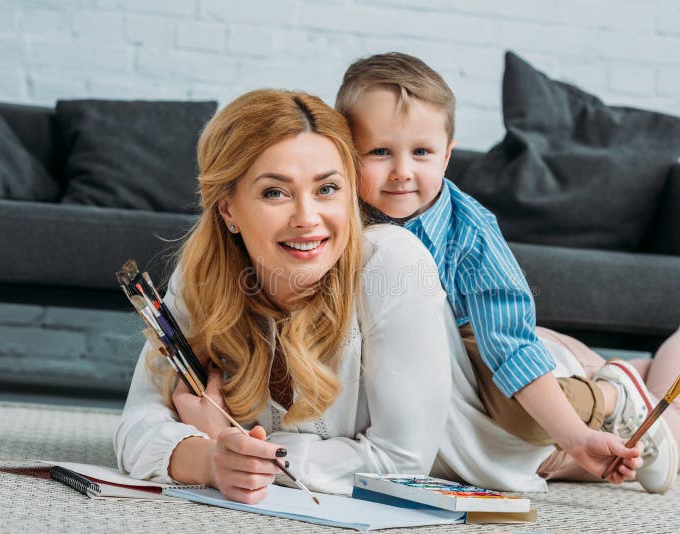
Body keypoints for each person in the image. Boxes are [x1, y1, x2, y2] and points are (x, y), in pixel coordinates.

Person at [113, 88, 642, 504]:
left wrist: (254, 454)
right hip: (461, 366)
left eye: (328, 188)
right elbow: (135, 425)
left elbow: (400, 461)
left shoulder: (393, 260)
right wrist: (208, 459)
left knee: (679, 423)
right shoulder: (204, 276)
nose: (307, 217)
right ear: (227, 209)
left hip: (515, 435)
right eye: (274, 191)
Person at [334, 52, 680, 493]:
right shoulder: (335, 219)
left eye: (421, 153)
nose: (402, 172)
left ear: (447, 156)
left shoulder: (469, 233)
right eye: (380, 152)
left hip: (531, 380)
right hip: (523, 385)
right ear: (348, 154)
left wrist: (578, 435)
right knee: (648, 387)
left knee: (668, 445)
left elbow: (511, 349)